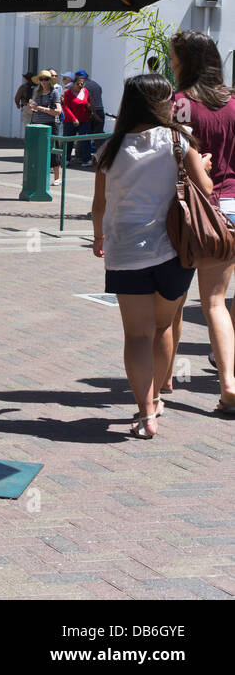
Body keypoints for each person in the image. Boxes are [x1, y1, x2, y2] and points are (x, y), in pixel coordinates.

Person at [92, 74, 211, 439]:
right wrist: (202, 167)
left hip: (125, 250)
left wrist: (99, 237)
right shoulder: (178, 141)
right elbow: (205, 190)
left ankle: (146, 414)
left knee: (137, 335)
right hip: (174, 250)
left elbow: (99, 205)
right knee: (162, 328)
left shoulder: (110, 148)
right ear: (163, 103)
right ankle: (157, 396)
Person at [166, 31, 235, 413]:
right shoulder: (234, 100)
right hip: (232, 205)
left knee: (174, 300)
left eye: (174, 58)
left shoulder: (178, 104)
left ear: (188, 61)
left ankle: (164, 378)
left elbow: (171, 158)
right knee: (215, 302)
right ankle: (228, 384)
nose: (172, 63)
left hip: (191, 209)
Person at [29, 69, 64, 185]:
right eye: (41, 79)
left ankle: (58, 177)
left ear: (50, 81)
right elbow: (34, 107)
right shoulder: (37, 92)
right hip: (36, 124)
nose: (43, 82)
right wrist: (32, 106)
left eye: (46, 79)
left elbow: (58, 111)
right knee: (37, 151)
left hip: (49, 125)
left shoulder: (54, 92)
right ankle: (38, 177)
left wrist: (41, 108)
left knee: (53, 151)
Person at [62, 72, 94, 165]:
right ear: (73, 83)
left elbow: (88, 103)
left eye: (82, 84)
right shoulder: (68, 92)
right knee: (68, 140)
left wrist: (92, 112)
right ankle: (66, 159)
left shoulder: (85, 91)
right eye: (78, 83)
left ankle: (86, 159)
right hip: (70, 121)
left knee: (85, 140)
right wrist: (73, 119)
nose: (80, 85)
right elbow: (66, 107)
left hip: (84, 120)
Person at [76, 70, 106, 164]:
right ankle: (102, 157)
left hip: (91, 112)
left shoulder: (85, 86)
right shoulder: (95, 84)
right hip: (100, 110)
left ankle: (83, 157)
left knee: (85, 135)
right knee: (98, 136)